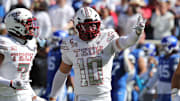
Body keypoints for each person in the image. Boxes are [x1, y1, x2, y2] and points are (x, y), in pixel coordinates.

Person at [49, 7, 146, 101]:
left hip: (103, 97)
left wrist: (136, 33)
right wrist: (53, 96)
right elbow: (62, 73)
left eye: (93, 25)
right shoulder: (70, 43)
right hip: (82, 97)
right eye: (86, 26)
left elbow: (126, 42)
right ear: (77, 26)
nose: (90, 29)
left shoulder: (107, 37)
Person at [0, 8, 45, 101]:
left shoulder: (31, 45)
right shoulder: (4, 44)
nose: (32, 28)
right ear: (16, 25)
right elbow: (16, 82)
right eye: (29, 24)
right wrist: (10, 83)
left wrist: (34, 96)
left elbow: (24, 78)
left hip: (25, 96)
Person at [141, 36, 180, 101]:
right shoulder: (162, 58)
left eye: (164, 46)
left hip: (171, 92)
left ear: (171, 46)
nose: (162, 48)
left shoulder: (175, 59)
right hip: (161, 91)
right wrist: (147, 87)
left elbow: (178, 77)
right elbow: (156, 75)